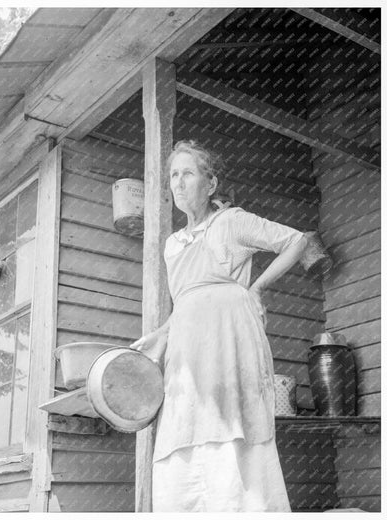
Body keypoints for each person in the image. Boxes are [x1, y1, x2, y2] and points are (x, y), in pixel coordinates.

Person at [130, 140, 308, 512]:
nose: (178, 183)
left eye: (188, 173)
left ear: (210, 184)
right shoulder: (172, 245)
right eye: (174, 175)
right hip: (186, 346)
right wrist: (160, 335)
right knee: (185, 426)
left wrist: (256, 289)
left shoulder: (231, 221)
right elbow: (185, 303)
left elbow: (295, 241)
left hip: (229, 335)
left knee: (230, 424)